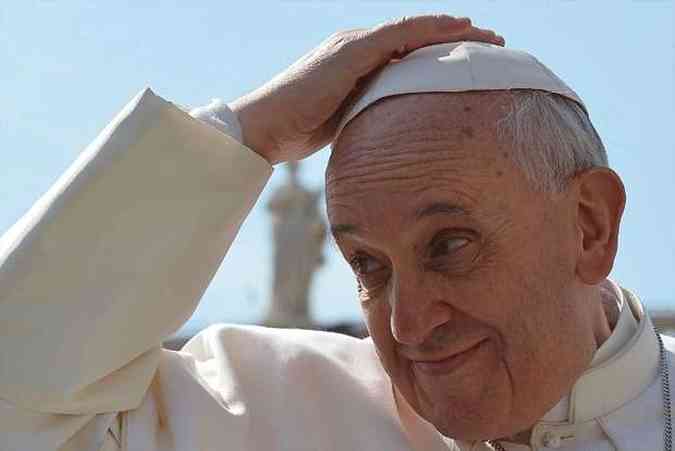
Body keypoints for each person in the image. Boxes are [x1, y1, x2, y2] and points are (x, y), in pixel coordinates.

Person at [0, 14, 669, 451]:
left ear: (588, 226)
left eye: (449, 245)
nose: (407, 324)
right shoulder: (273, 411)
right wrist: (250, 131)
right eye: (368, 266)